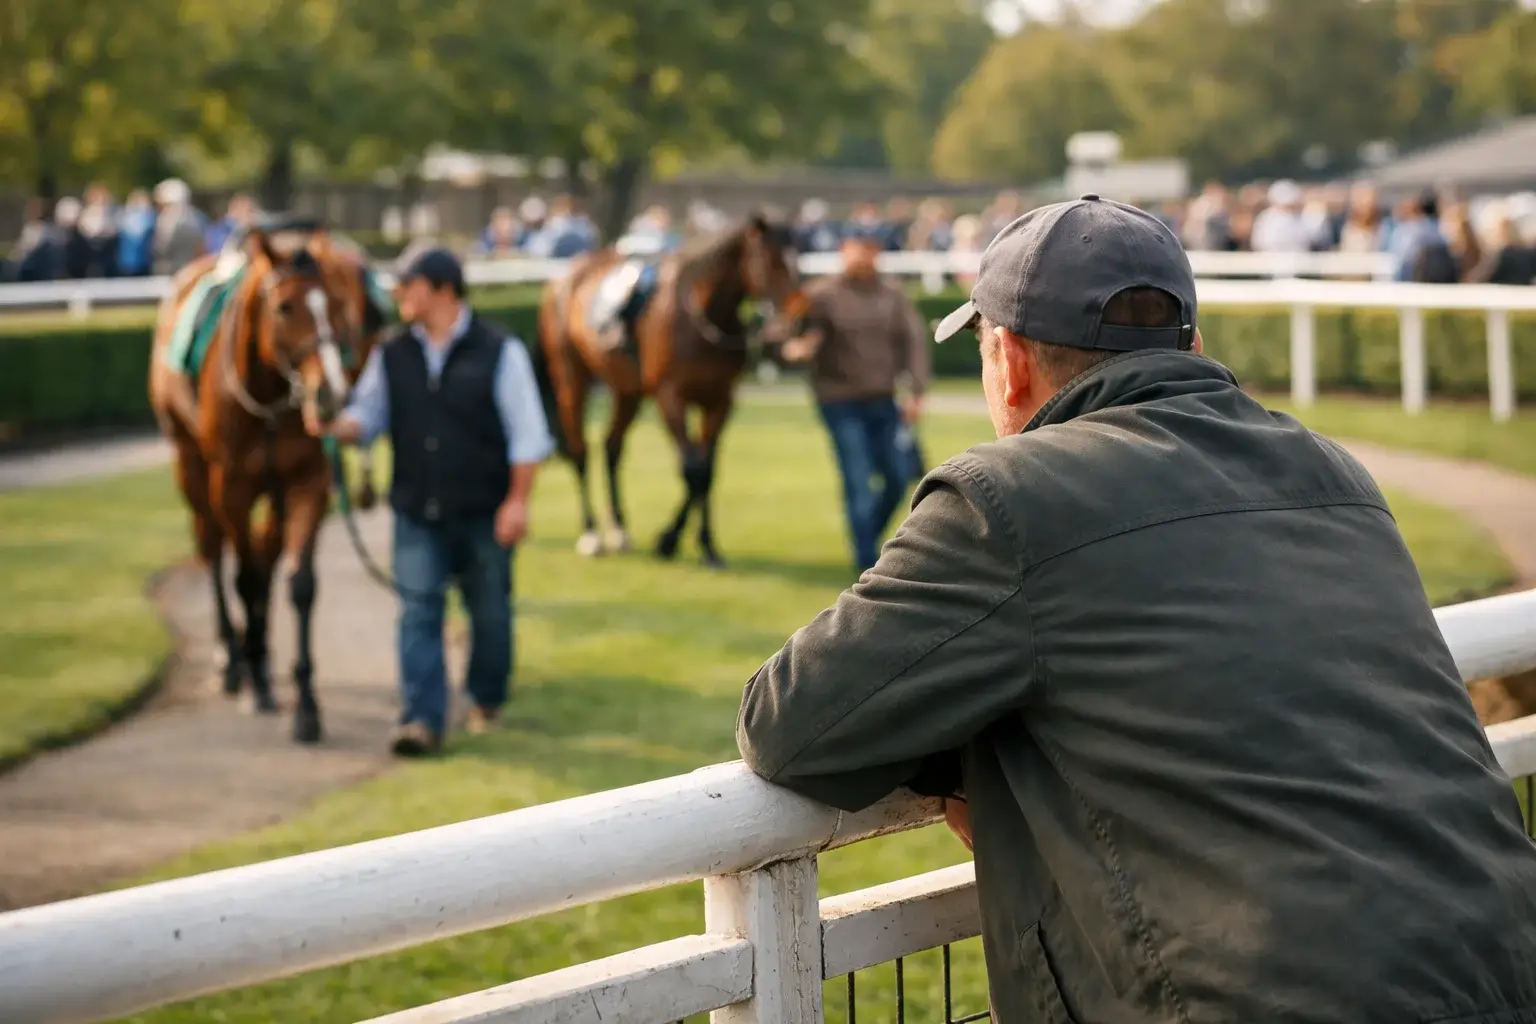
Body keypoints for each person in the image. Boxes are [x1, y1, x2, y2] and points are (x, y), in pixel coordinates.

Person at [737, 194, 1536, 1023]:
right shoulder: (1332, 472)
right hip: (1505, 963)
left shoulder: (1003, 500)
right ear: (1192, 343)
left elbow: (788, 722)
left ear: (1006, 361)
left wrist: (962, 751)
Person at [317, 248, 556, 756]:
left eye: (409, 284)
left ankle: (485, 698)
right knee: (419, 612)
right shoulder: (391, 352)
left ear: (443, 288)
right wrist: (333, 426)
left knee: (490, 615)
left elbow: (528, 436)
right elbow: (368, 416)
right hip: (416, 512)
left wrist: (517, 502)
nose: (400, 294)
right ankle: (421, 719)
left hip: (484, 511)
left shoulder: (500, 351)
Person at [777, 221, 929, 573]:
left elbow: (913, 341)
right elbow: (784, 332)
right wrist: (795, 348)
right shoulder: (821, 294)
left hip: (883, 399)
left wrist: (917, 390)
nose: (864, 254)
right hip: (839, 400)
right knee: (857, 477)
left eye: (871, 247)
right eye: (857, 246)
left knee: (896, 477)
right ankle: (865, 561)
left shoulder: (892, 294)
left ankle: (868, 538)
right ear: (843, 249)